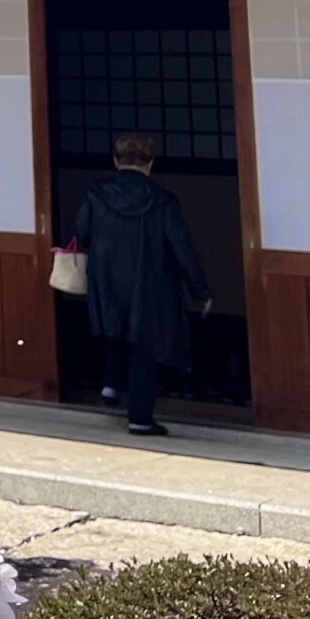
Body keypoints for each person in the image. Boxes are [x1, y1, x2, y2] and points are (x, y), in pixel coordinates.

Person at [74, 131, 213, 438]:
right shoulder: (162, 200)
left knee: (115, 327)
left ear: (115, 161)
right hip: (149, 282)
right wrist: (200, 289)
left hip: (105, 279)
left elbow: (81, 233)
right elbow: (181, 247)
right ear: (151, 163)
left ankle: (111, 384)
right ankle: (139, 418)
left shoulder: (96, 194)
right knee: (144, 346)